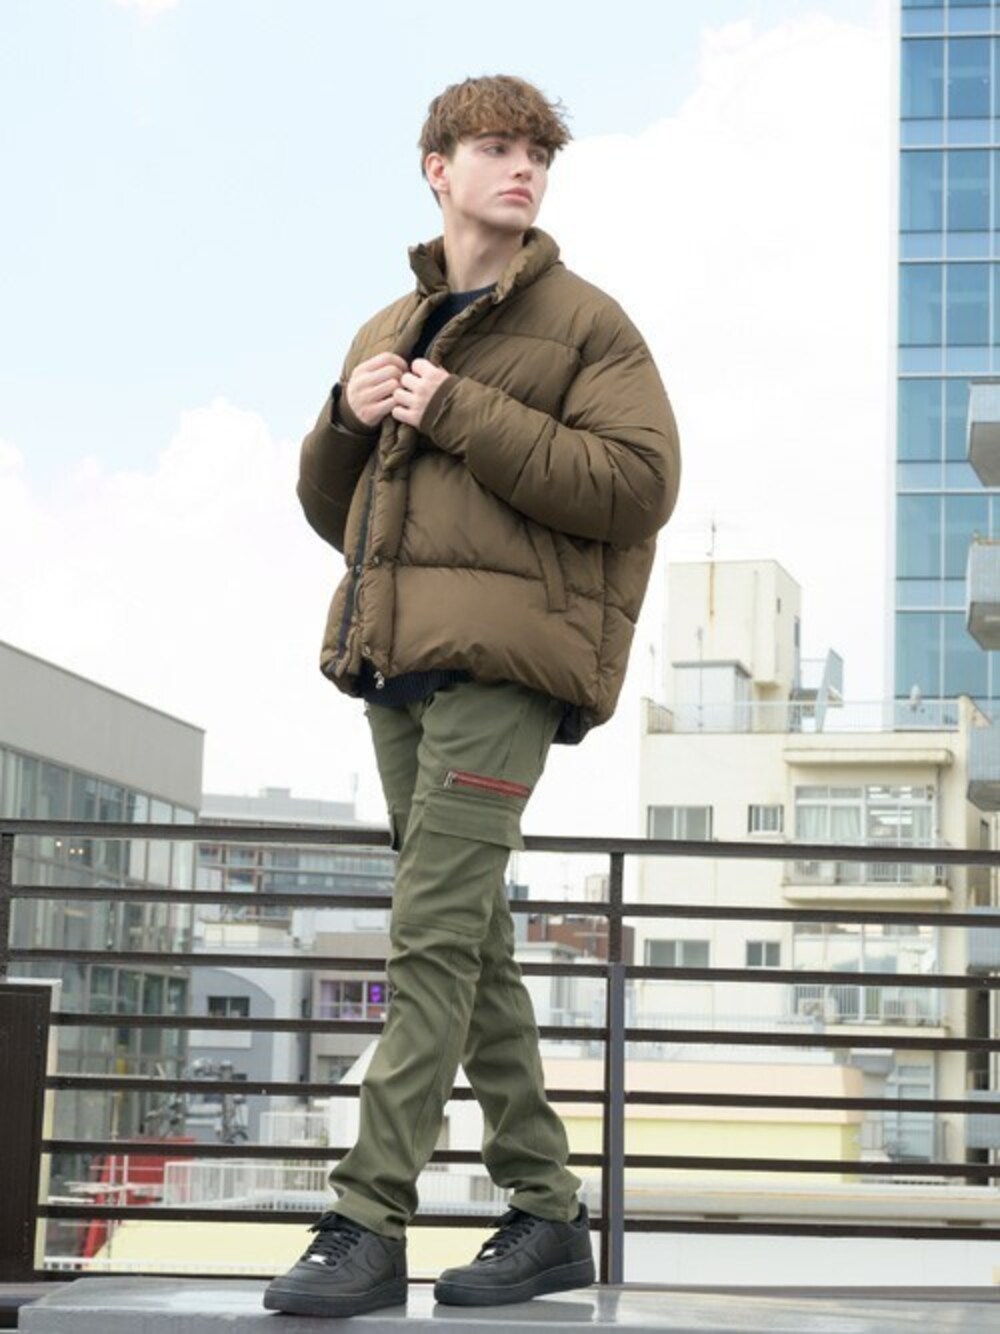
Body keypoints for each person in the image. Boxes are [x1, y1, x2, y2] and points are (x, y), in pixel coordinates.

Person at [264, 73, 681, 1319]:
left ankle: (365, 1217)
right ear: (436, 168)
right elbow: (339, 513)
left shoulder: (588, 324)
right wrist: (344, 418)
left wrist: (462, 408)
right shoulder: (388, 325)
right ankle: (547, 1210)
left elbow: (635, 485)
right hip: (397, 666)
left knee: (433, 935)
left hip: (508, 668)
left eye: (538, 153)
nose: (523, 169)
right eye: (497, 147)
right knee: (474, 940)